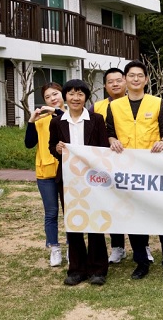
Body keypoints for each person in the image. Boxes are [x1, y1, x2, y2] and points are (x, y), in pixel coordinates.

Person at [106, 60, 163, 281]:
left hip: (154, 168)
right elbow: (109, 131)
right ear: (125, 79)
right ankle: (141, 262)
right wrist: (112, 140)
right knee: (133, 216)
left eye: (140, 75)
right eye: (131, 75)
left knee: (162, 216)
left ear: (146, 79)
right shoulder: (114, 106)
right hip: (127, 169)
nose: (135, 79)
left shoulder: (158, 103)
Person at [49, 79, 109, 286]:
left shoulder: (96, 119)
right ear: (65, 96)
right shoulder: (57, 121)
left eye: (80, 94)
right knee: (73, 222)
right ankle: (76, 269)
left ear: (86, 98)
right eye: (72, 94)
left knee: (95, 222)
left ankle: (98, 269)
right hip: (68, 180)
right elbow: (51, 147)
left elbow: (103, 148)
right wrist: (57, 149)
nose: (76, 98)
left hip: (93, 179)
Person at [89, 67, 139, 265]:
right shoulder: (96, 107)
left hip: (134, 163)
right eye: (111, 81)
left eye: (119, 80)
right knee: (112, 205)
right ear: (105, 86)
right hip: (107, 165)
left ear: (125, 81)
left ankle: (142, 246)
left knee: (136, 205)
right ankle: (118, 246)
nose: (115, 84)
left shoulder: (137, 102)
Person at [24, 82, 65, 267]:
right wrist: (31, 121)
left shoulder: (70, 115)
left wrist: (56, 111)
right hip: (45, 171)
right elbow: (29, 144)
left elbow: (65, 119)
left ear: (63, 94)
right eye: (47, 97)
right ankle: (54, 247)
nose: (52, 98)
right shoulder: (41, 120)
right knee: (51, 212)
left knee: (70, 211)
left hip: (67, 171)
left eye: (55, 94)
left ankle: (73, 247)